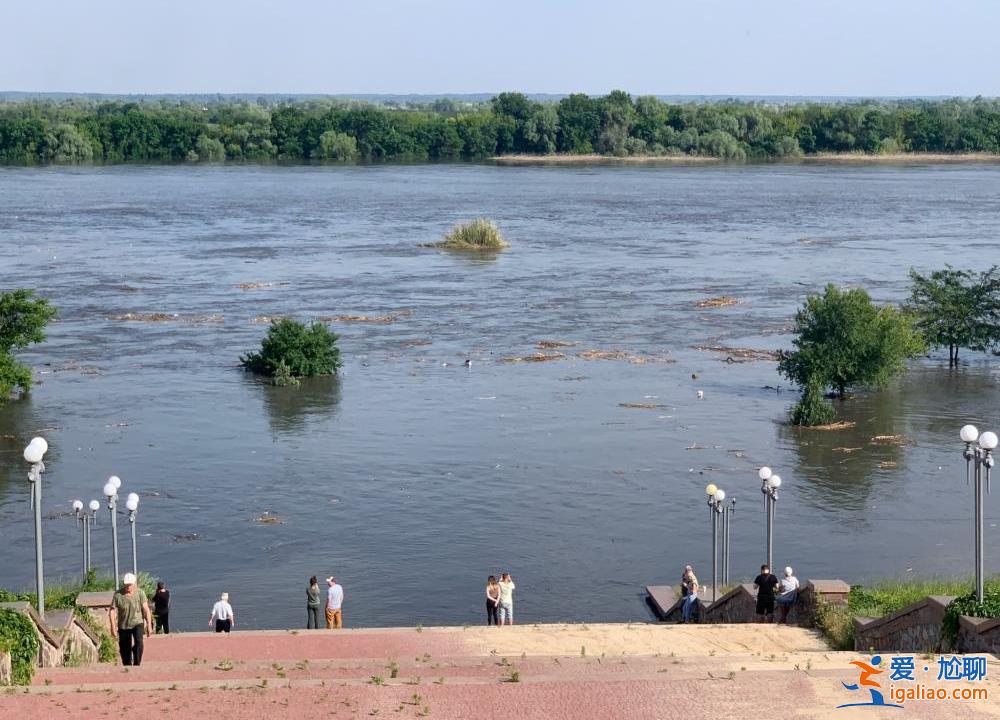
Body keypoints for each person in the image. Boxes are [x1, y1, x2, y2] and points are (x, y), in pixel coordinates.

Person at [108, 572, 152, 666]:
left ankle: (137, 663)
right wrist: (113, 627)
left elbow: (146, 609)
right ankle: (127, 664)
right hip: (123, 625)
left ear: (134, 584)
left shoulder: (140, 593)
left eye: (130, 584)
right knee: (124, 648)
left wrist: (149, 625)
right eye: (126, 584)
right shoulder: (118, 595)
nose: (128, 586)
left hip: (137, 623)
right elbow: (112, 610)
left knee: (139, 642)